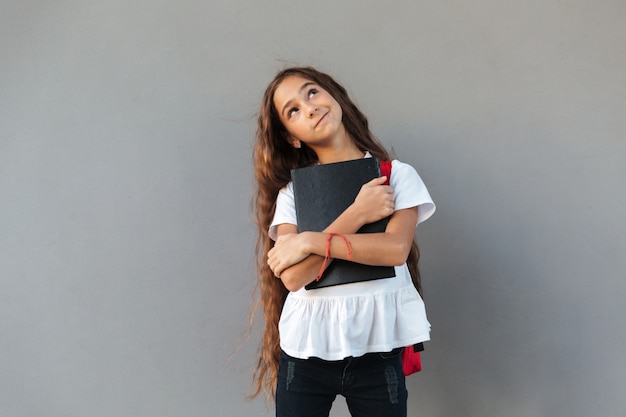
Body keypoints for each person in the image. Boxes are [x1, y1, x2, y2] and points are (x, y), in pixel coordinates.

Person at [251, 66, 435, 417]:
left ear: (335, 96)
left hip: (377, 350)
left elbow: (394, 250)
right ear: (291, 137)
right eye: (293, 110)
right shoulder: (292, 195)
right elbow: (292, 278)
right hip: (305, 354)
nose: (308, 107)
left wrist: (307, 242)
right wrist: (357, 214)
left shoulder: (395, 175)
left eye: (312, 92)